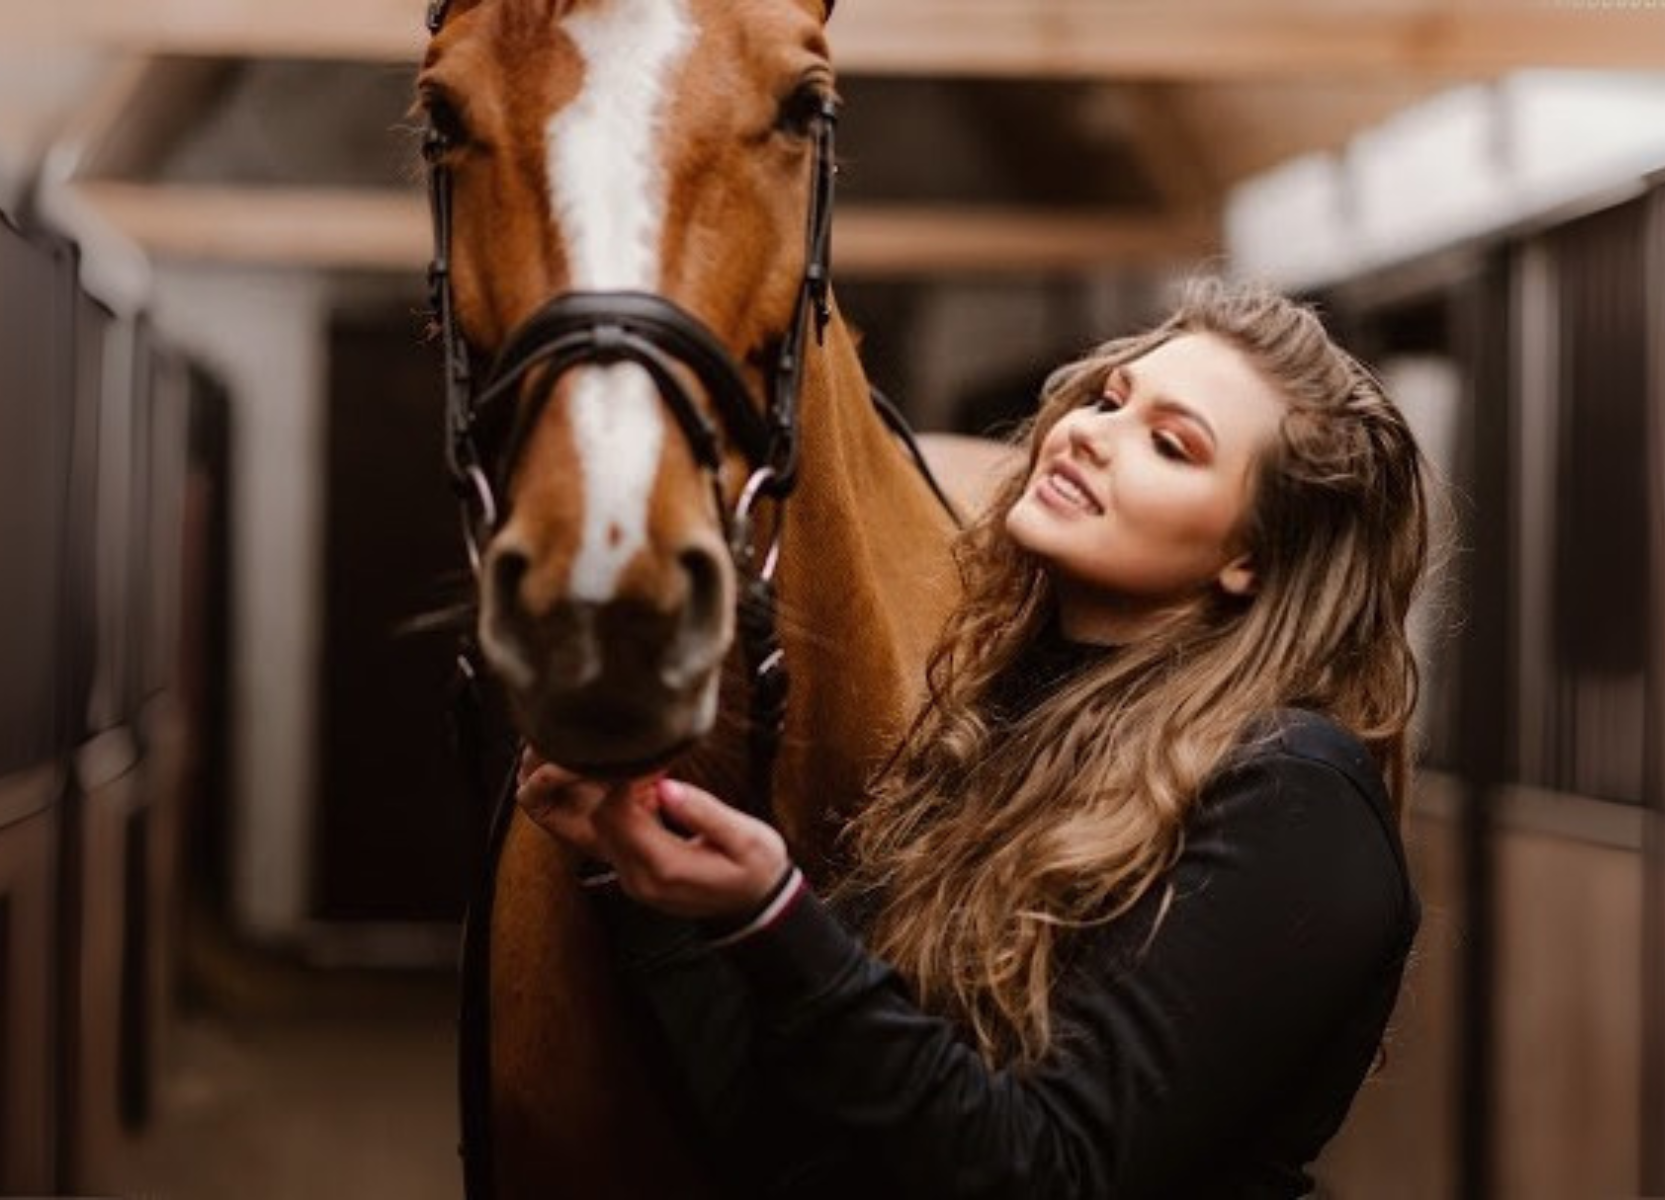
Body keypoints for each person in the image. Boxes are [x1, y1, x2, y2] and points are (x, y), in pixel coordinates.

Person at [517, 275, 1431, 1199]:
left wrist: (776, 919)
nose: (1089, 432)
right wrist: (638, 876)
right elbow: (783, 1143)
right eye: (1111, 399)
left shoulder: (1289, 794)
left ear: (1253, 558)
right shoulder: (997, 728)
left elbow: (1047, 1174)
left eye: (1168, 443)